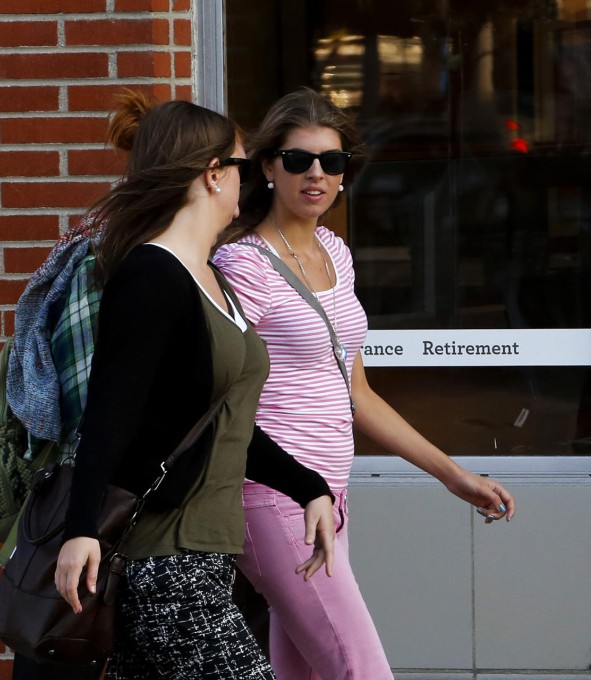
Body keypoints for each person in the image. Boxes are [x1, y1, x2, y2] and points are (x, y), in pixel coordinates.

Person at [212, 87, 517, 680]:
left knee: (302, 669)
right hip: (271, 491)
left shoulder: (334, 251)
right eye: (298, 160)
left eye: (332, 161)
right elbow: (219, 388)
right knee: (360, 669)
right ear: (270, 167)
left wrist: (455, 476)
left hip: (329, 492)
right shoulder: (242, 263)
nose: (316, 174)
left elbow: (358, 394)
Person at [52, 90, 338, 680]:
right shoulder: (151, 277)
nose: (246, 182)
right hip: (164, 558)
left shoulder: (209, 277)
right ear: (212, 176)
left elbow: (222, 423)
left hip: (203, 553)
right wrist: (80, 528)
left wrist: (306, 484)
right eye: (239, 166)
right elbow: (110, 413)